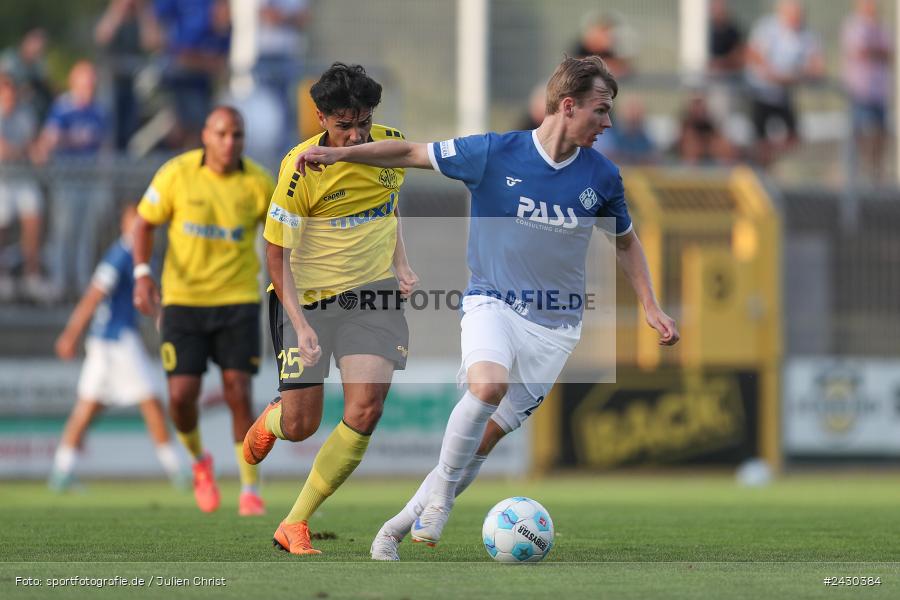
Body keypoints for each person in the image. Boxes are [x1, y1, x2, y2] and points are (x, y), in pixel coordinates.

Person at [293, 55, 679, 561]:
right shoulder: (495, 152)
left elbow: (625, 242)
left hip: (556, 329)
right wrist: (341, 156)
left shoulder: (602, 177)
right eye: (601, 110)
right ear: (568, 105)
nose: (608, 122)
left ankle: (395, 527)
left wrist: (651, 305)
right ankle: (441, 509)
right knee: (487, 386)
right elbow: (410, 151)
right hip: (491, 301)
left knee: (483, 440)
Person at [240, 62, 418, 555]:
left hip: (373, 295)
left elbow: (389, 204)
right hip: (307, 301)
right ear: (320, 117)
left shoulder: (389, 145)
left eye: (363, 121)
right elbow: (275, 252)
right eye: (344, 125)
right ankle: (274, 419)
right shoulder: (300, 169)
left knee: (367, 406)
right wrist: (299, 323)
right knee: (302, 426)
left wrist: (401, 262)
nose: (356, 134)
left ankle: (294, 522)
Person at [133, 106, 275, 515]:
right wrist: (143, 274)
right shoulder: (176, 174)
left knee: (238, 392)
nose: (231, 142)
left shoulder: (258, 183)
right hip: (183, 301)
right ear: (206, 136)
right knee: (181, 396)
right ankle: (200, 463)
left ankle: (250, 489)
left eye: (238, 135)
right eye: (223, 134)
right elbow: (143, 223)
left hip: (238, 300)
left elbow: (283, 232)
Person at [49, 204, 184, 491]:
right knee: (151, 403)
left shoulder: (143, 257)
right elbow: (93, 295)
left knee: (88, 407)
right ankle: (180, 473)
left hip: (107, 342)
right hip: (116, 341)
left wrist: (159, 315)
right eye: (132, 223)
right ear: (124, 226)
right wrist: (70, 335)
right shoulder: (120, 256)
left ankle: (62, 471)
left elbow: (147, 297)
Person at [32, 60, 111, 300]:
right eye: (84, 82)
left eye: (91, 83)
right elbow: (50, 139)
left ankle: (81, 282)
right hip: (67, 178)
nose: (89, 87)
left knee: (86, 232)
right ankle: (59, 282)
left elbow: (105, 147)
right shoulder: (63, 107)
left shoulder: (99, 110)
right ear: (74, 83)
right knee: (64, 230)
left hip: (90, 178)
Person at [745, 0, 824, 166]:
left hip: (783, 95)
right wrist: (772, 72)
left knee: (793, 138)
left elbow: (816, 66)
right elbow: (753, 53)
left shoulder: (805, 35)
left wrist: (795, 76)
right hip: (761, 93)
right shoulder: (767, 27)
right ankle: (761, 167)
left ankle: (768, 158)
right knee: (759, 138)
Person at [153, 0, 231, 149]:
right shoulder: (196, 26)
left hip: (203, 86)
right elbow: (181, 57)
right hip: (179, 82)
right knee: (187, 126)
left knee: (200, 125)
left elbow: (221, 65)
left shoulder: (223, 32)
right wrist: (205, 63)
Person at [0, 72, 49, 302]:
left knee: (33, 211)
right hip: (3, 179)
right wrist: (22, 152)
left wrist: (33, 152)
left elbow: (33, 147)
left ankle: (32, 275)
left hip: (21, 179)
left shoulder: (25, 115)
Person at [94, 0, 163, 151]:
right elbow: (102, 37)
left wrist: (143, 11)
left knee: (132, 129)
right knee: (111, 130)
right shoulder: (112, 17)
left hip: (135, 85)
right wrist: (117, 9)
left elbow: (153, 43)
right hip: (112, 84)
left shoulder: (141, 20)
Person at [841, 0, 893, 183]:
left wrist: (874, 51)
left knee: (881, 134)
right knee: (859, 134)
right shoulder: (853, 26)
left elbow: (888, 53)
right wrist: (876, 51)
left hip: (879, 92)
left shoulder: (882, 26)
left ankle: (876, 175)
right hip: (860, 91)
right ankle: (853, 176)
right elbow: (859, 51)